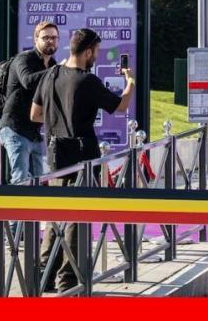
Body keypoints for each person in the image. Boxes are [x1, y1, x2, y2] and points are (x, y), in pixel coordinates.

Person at [30, 28, 135, 294]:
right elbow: (120, 106)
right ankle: (70, 280)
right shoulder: (87, 81)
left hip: (56, 156)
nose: (96, 57)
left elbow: (35, 114)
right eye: (96, 52)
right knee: (77, 219)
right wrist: (130, 81)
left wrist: (59, 122)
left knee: (56, 217)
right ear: (87, 51)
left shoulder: (51, 74)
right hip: (83, 158)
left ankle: (45, 275)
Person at [0, 21, 58, 185]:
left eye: (54, 37)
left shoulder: (52, 64)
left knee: (38, 182)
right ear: (36, 39)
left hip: (34, 132)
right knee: (21, 180)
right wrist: (55, 71)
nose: (50, 41)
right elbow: (27, 81)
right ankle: (13, 211)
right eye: (45, 37)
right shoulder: (24, 58)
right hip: (15, 128)